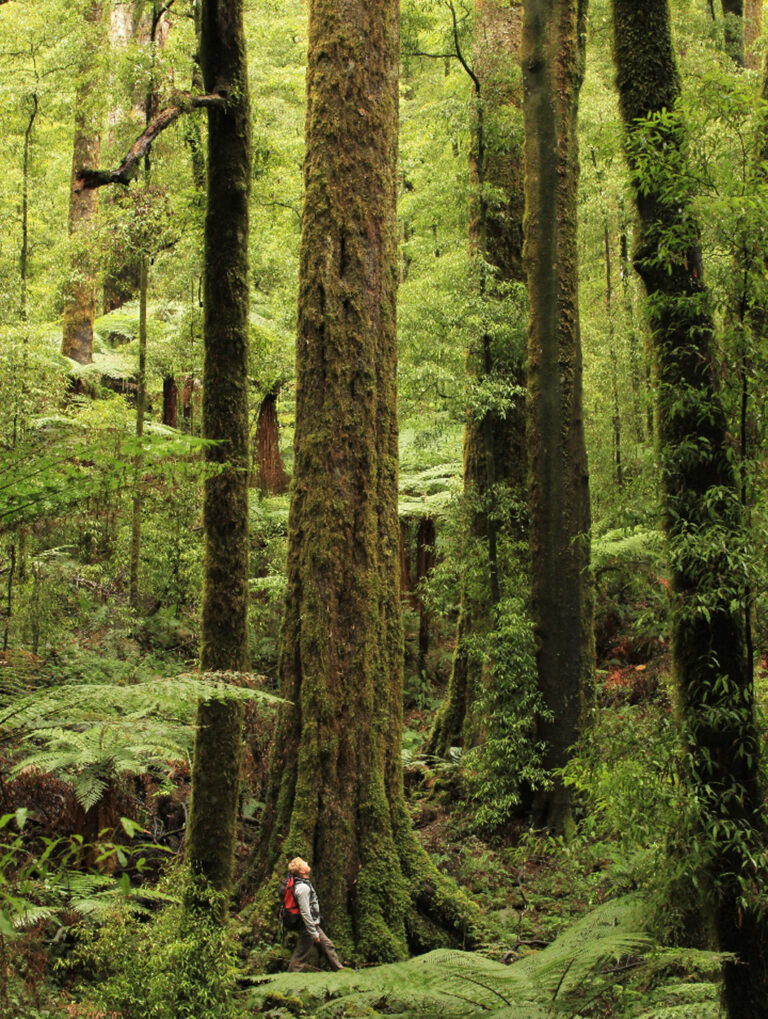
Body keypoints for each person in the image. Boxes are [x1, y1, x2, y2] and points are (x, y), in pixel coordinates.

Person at [286, 856, 344, 972]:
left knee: (328, 946)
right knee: (299, 958)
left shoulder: (304, 883)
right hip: (308, 927)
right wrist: (313, 933)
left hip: (313, 925)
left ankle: (341, 971)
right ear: (301, 871)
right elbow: (305, 912)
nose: (307, 863)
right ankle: (288, 982)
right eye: (304, 863)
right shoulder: (302, 888)